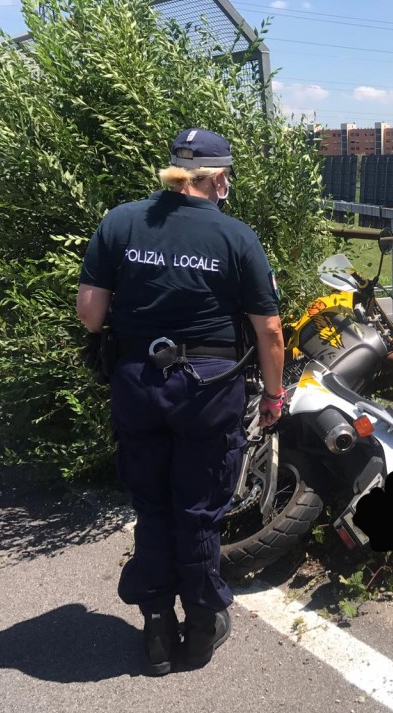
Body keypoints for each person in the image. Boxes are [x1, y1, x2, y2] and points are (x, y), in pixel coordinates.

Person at [76, 127, 285, 676]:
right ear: (217, 177)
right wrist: (273, 394)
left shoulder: (119, 222)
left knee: (152, 508)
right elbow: (268, 330)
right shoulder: (236, 235)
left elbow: (92, 314)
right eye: (228, 177)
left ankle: (156, 628)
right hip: (208, 389)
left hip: (137, 382)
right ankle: (201, 626)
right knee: (198, 510)